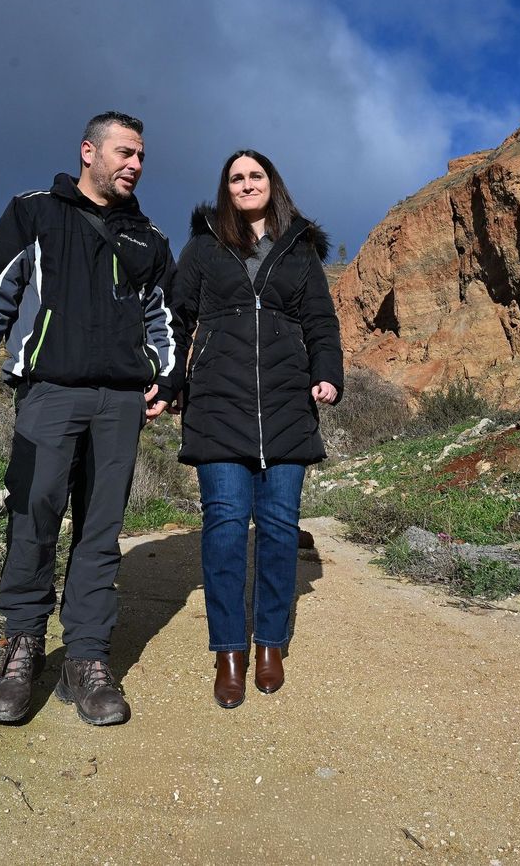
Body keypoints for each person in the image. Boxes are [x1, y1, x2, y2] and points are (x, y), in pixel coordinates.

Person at [0, 111, 179, 726]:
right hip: (49, 393)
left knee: (101, 530)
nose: (134, 164)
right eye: (124, 153)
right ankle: (22, 645)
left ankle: (86, 657)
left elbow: (164, 317)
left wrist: (167, 372)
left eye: (141, 156)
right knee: (34, 516)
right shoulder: (35, 212)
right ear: (88, 151)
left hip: (120, 402)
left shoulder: (148, 238)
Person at [162, 149, 344, 708]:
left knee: (280, 528)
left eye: (255, 176)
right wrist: (170, 381)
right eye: (236, 178)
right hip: (217, 405)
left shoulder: (300, 248)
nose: (246, 184)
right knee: (222, 526)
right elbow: (175, 316)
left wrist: (327, 374)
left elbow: (320, 320)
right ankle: (229, 651)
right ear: (226, 188)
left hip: (288, 405)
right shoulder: (202, 246)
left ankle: (270, 643)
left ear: (273, 184)